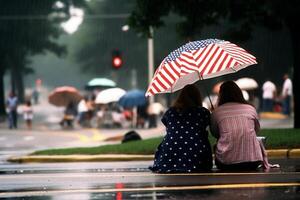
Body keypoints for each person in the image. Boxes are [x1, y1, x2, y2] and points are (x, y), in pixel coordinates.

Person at [149, 84, 213, 173]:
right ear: (198, 97)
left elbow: (168, 126)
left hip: (169, 154)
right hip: (197, 154)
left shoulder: (170, 112)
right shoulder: (203, 112)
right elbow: (211, 129)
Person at [211, 81, 273, 171]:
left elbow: (215, 133)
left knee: (215, 146)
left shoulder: (216, 112)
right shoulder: (250, 108)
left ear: (221, 95)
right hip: (253, 161)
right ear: (239, 92)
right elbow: (256, 129)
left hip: (226, 163)